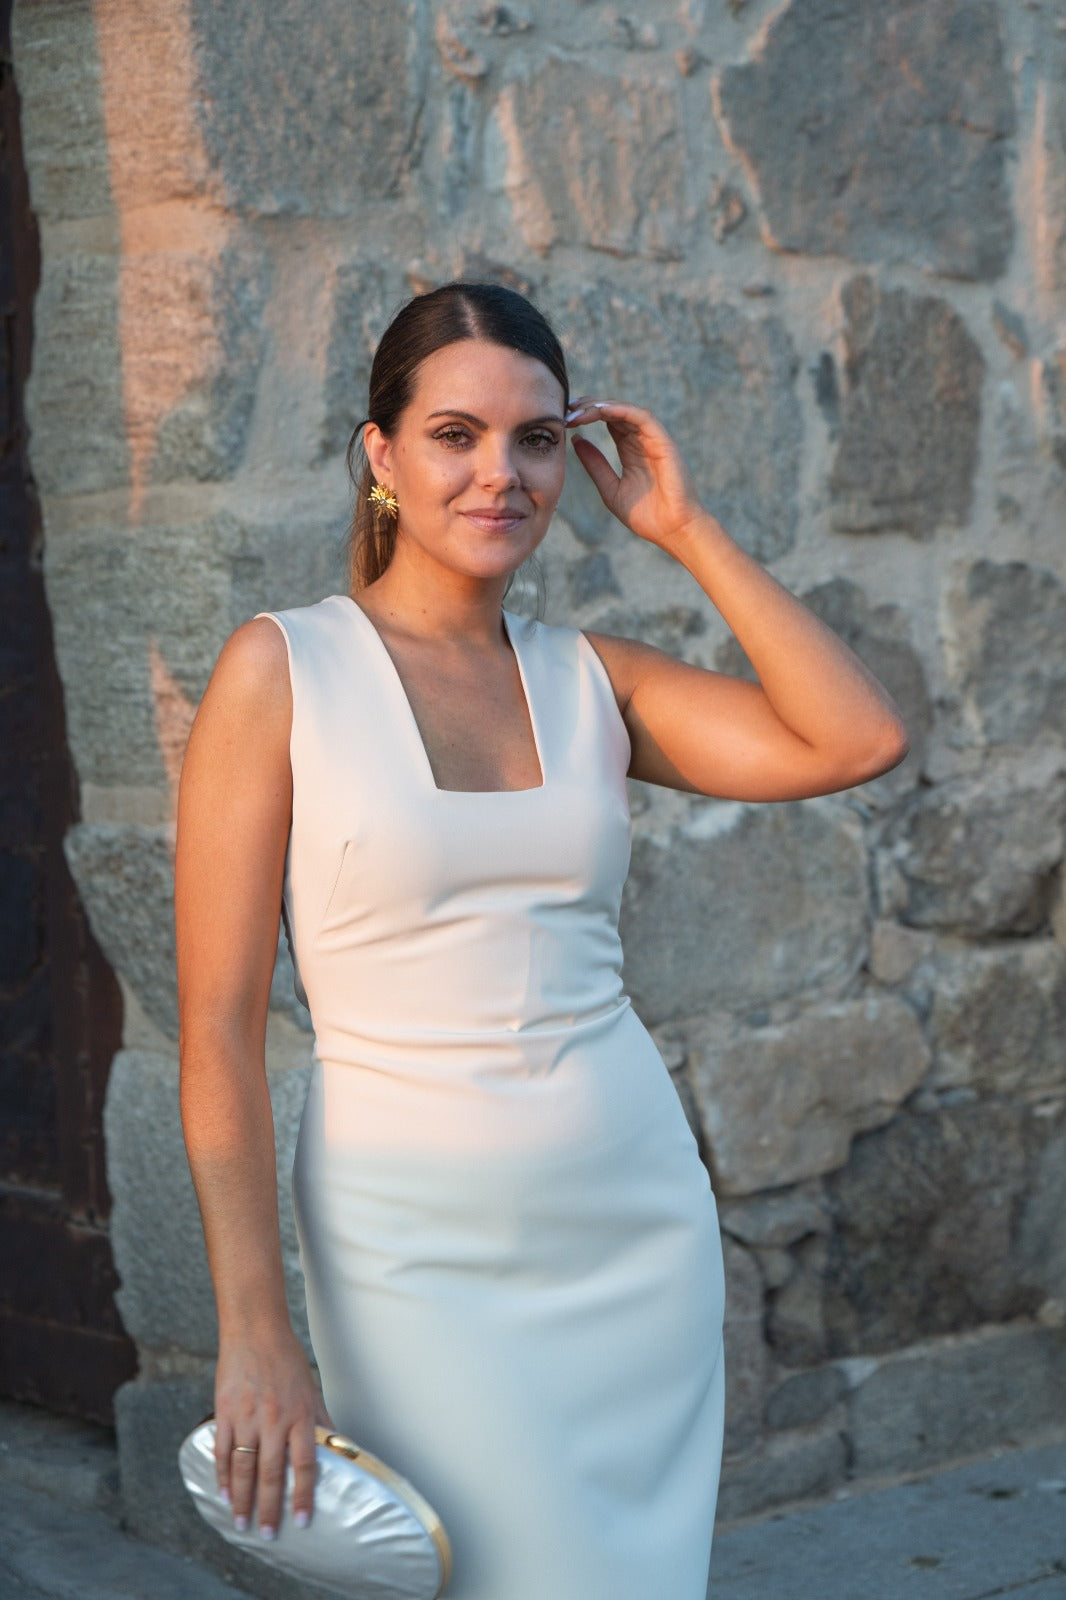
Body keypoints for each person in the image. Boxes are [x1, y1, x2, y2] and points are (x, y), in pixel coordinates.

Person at [176, 281, 908, 1600]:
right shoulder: (280, 671)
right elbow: (217, 1034)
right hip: (411, 1247)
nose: (499, 474)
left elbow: (855, 738)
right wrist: (254, 1329)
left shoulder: (593, 680)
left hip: (629, 1222)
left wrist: (682, 530)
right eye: (455, 436)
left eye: (535, 440)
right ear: (380, 454)